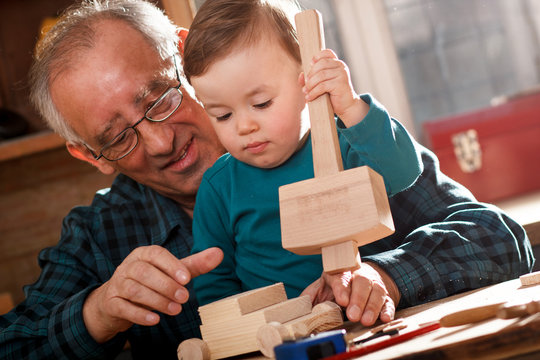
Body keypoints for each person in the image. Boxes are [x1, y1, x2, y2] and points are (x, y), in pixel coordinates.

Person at [0, 0, 533, 359]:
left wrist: (388, 277)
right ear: (88, 154)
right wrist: (96, 314)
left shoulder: (340, 140)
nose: (161, 144)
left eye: (158, 100)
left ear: (188, 59)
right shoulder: (99, 234)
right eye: (117, 138)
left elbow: (499, 239)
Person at [184, 0, 422, 313]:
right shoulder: (218, 187)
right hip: (278, 336)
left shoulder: (343, 144)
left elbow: (402, 172)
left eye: (262, 103)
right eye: (223, 115)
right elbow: (214, 284)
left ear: (306, 80)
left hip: (365, 312)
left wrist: (350, 108)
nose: (244, 126)